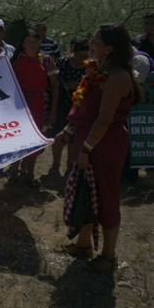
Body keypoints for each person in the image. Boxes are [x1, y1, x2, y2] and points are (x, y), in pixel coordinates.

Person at [57, 23, 141, 273]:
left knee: (106, 196)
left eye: (95, 41)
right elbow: (84, 107)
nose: (90, 44)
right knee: (86, 192)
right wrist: (69, 129)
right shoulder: (96, 70)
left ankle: (108, 256)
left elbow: (104, 120)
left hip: (104, 145)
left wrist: (86, 149)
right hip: (88, 140)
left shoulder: (118, 77)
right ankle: (83, 246)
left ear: (110, 48)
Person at [7, 30, 58, 187]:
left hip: (40, 105)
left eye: (36, 41)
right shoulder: (14, 61)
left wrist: (53, 111)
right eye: (29, 40)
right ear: (23, 43)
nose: (32, 44)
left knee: (35, 140)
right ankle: (13, 173)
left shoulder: (47, 61)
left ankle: (30, 173)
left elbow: (55, 87)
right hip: (18, 106)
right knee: (17, 139)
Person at [49, 38, 89, 174]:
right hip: (61, 104)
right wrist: (65, 86)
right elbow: (54, 83)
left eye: (85, 57)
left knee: (74, 137)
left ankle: (70, 166)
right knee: (58, 135)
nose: (82, 60)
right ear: (73, 52)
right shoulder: (62, 63)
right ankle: (55, 165)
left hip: (79, 106)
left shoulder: (90, 67)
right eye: (79, 56)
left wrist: (79, 87)